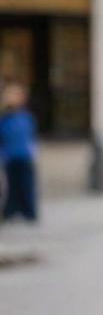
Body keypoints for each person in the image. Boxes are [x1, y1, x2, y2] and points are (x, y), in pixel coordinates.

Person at [0, 82, 39, 223]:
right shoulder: (5, 119)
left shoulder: (26, 118)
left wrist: (33, 153)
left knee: (27, 186)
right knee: (12, 187)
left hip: (25, 157)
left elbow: (32, 137)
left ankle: (29, 212)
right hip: (10, 157)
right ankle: (11, 211)